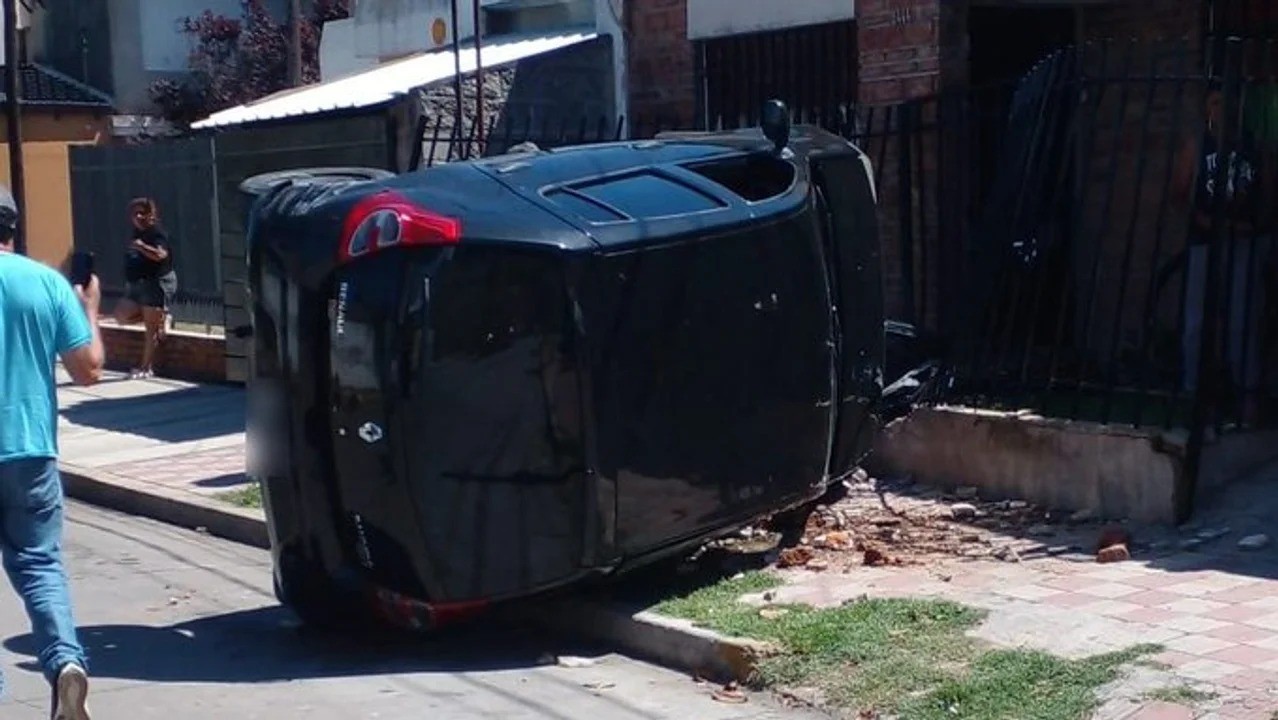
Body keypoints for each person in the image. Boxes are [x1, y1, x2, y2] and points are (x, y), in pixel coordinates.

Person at [0, 183, 101, 719]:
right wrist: (90, 308)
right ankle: (65, 663)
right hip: (31, 448)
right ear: (13, 226)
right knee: (40, 564)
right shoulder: (46, 283)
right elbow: (88, 370)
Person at [1172, 82, 1275, 424]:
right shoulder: (1197, 145)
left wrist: (1255, 224)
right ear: (1206, 108)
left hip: (1244, 240)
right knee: (1198, 320)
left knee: (1242, 319)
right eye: (1214, 103)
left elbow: (1267, 192)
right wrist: (1201, 218)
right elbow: (1180, 191)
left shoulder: (1251, 146)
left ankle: (1246, 397)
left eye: (1225, 103)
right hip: (1205, 241)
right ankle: (1195, 394)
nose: (1220, 110)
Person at [113, 197, 177, 379]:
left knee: (150, 331)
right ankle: (161, 318)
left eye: (143, 213)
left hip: (156, 282)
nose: (139, 216)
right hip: (137, 284)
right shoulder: (136, 232)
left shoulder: (157, 233)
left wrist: (142, 247)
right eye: (135, 214)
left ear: (152, 215)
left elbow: (160, 255)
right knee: (121, 316)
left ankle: (146, 368)